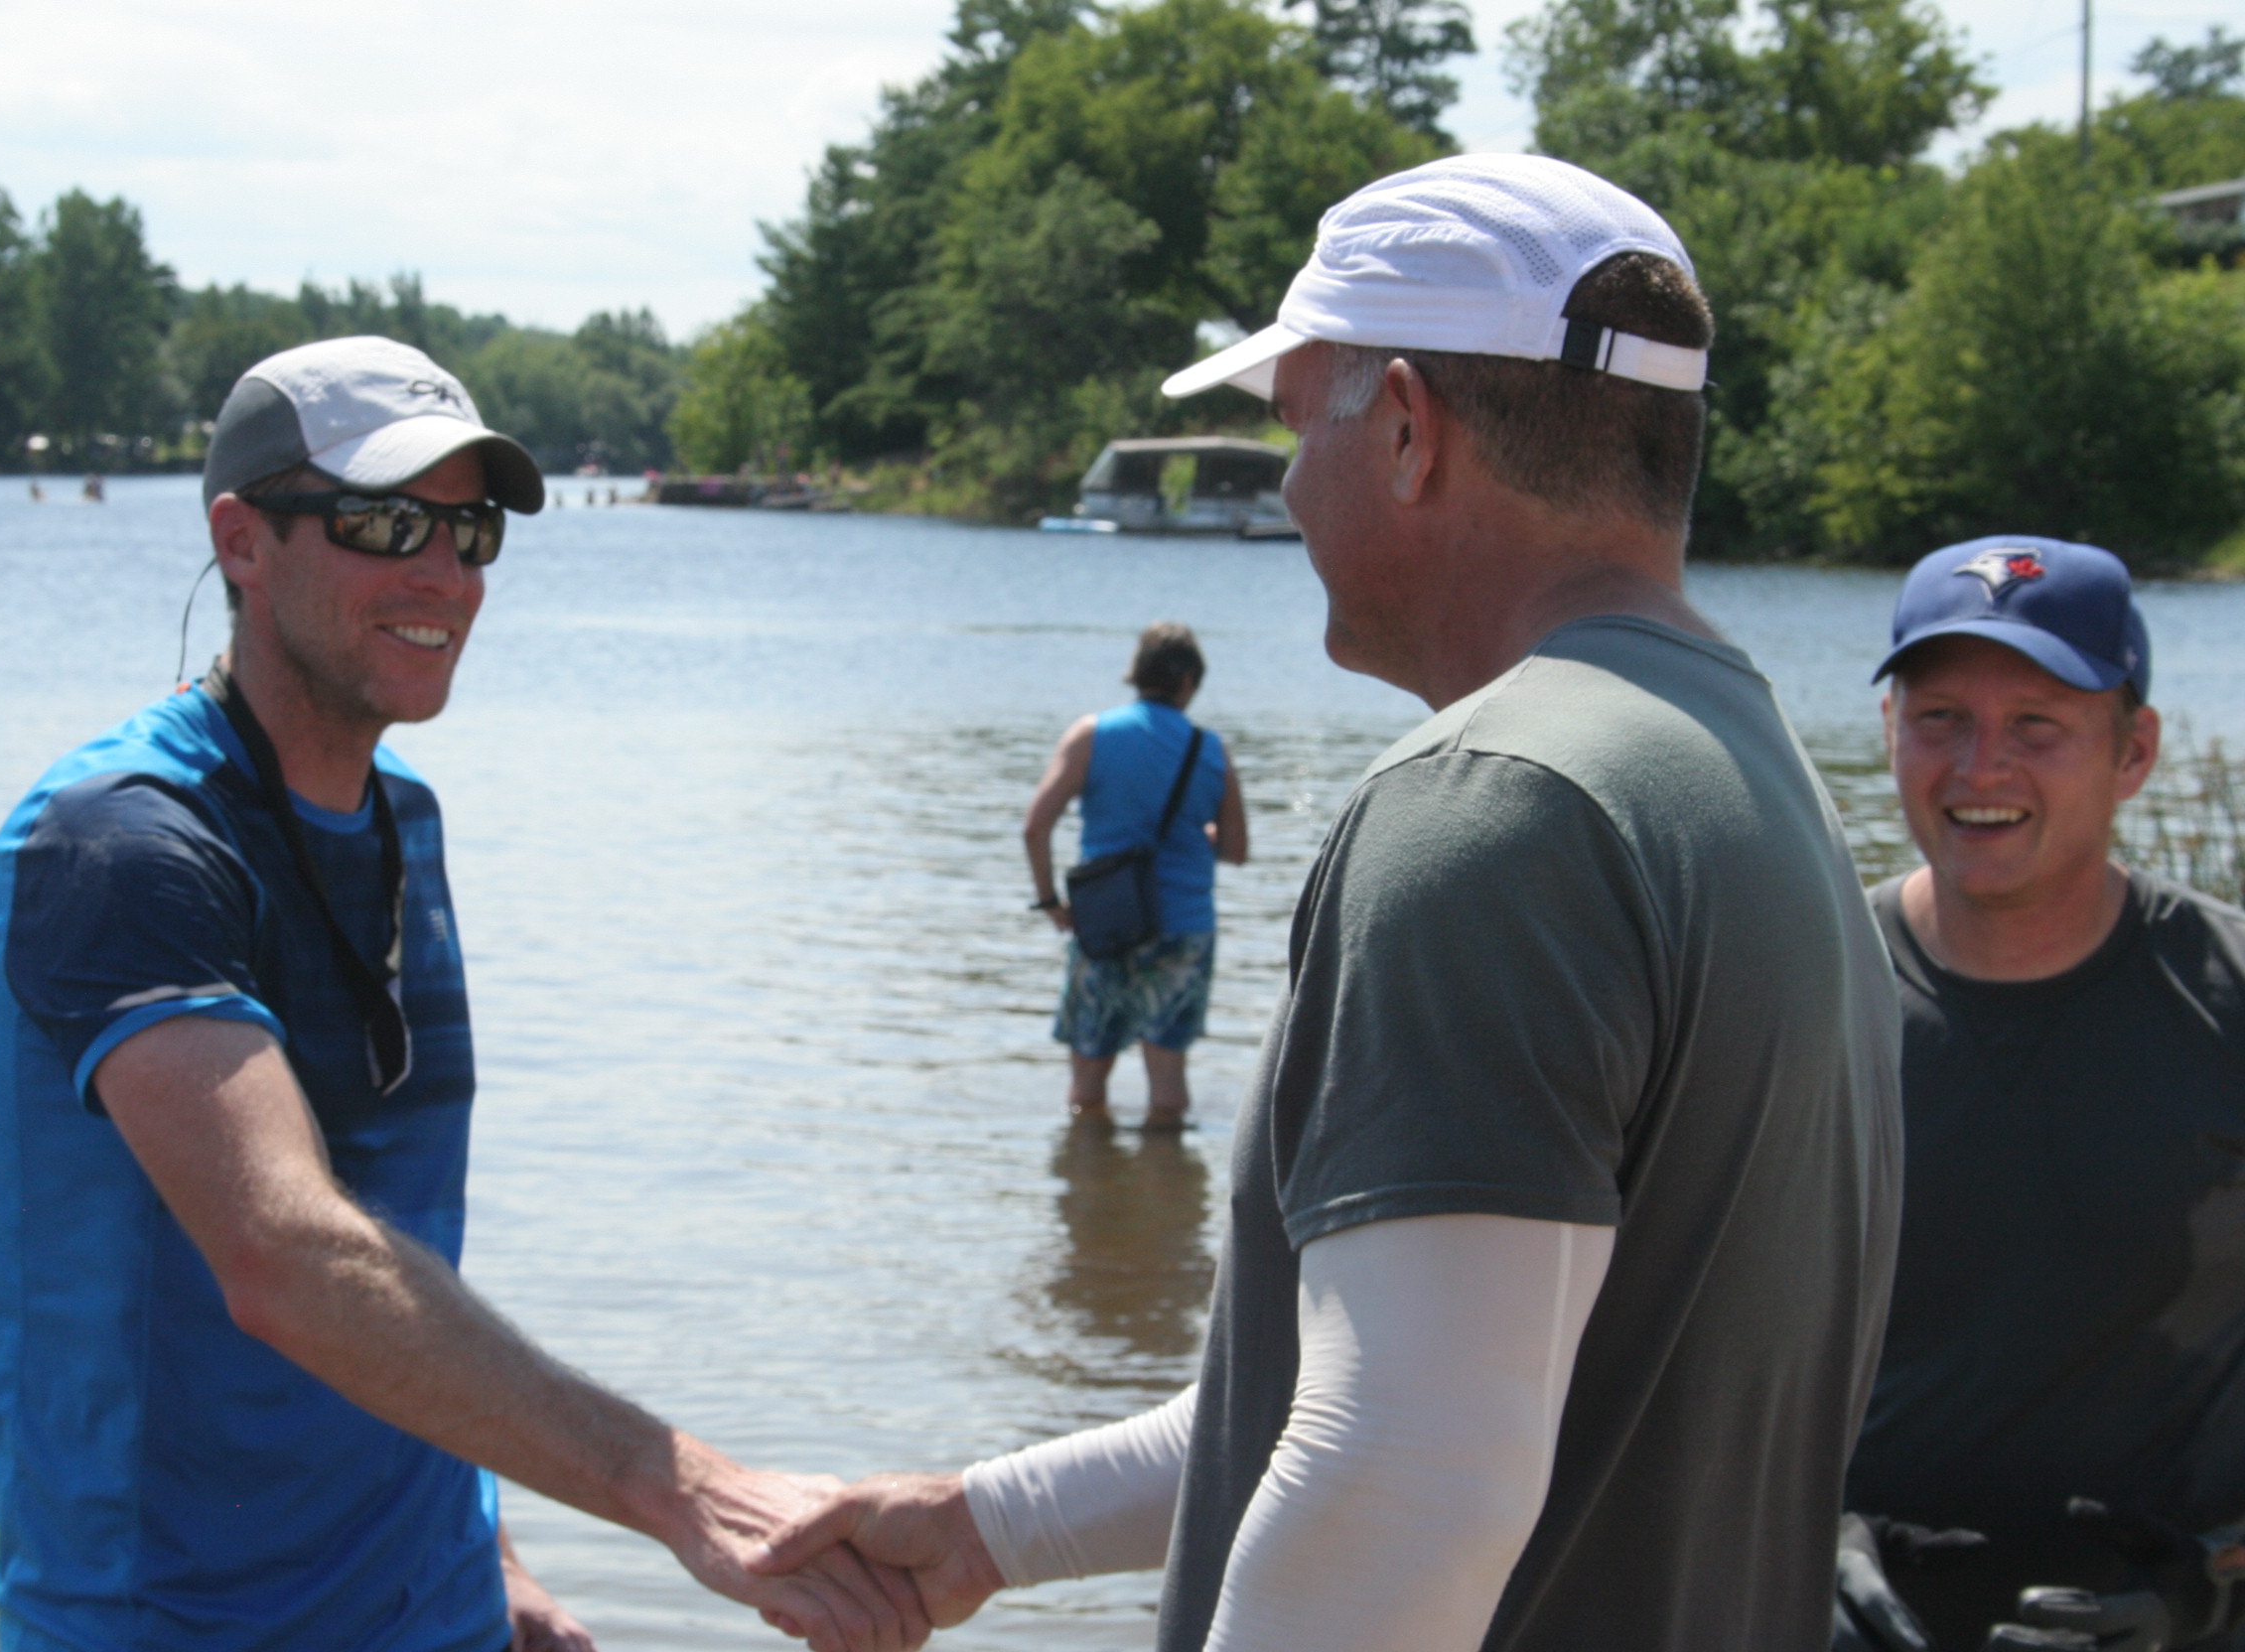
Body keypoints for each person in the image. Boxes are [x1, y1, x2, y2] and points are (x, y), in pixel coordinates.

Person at [760, 153, 1902, 1651]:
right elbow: (1370, 1393)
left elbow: (1409, 1486)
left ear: (1412, 429)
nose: (1292, 484)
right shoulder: (1763, 788)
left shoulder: (1498, 805)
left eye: (1302, 423)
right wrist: (987, 1529)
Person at [0, 336, 921, 1652]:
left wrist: (490, 1546)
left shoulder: (400, 823)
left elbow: (392, 1246)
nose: (442, 572)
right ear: (241, 540)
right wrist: (683, 1490)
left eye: (469, 529)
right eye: (383, 520)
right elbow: (287, 1255)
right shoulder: (121, 845)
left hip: (437, 1609)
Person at [1840, 538, 2245, 1652]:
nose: (1980, 768)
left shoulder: (2230, 995)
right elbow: (1679, 1343)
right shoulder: (1796, 996)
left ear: (2134, 751)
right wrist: (1796, 1535)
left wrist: (2208, 1583)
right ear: (1889, 734)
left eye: (2037, 725)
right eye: (1939, 718)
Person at [1023, 621, 1247, 1131]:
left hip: (1106, 922)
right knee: (1168, 1076)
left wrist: (1050, 902)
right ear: (1189, 681)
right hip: (1185, 926)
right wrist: (1196, 834)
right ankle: (1167, 1190)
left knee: (1087, 1076)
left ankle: (1089, 1185)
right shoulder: (1210, 750)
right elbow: (1235, 849)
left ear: (1137, 675)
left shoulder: (1091, 735)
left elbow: (1035, 827)